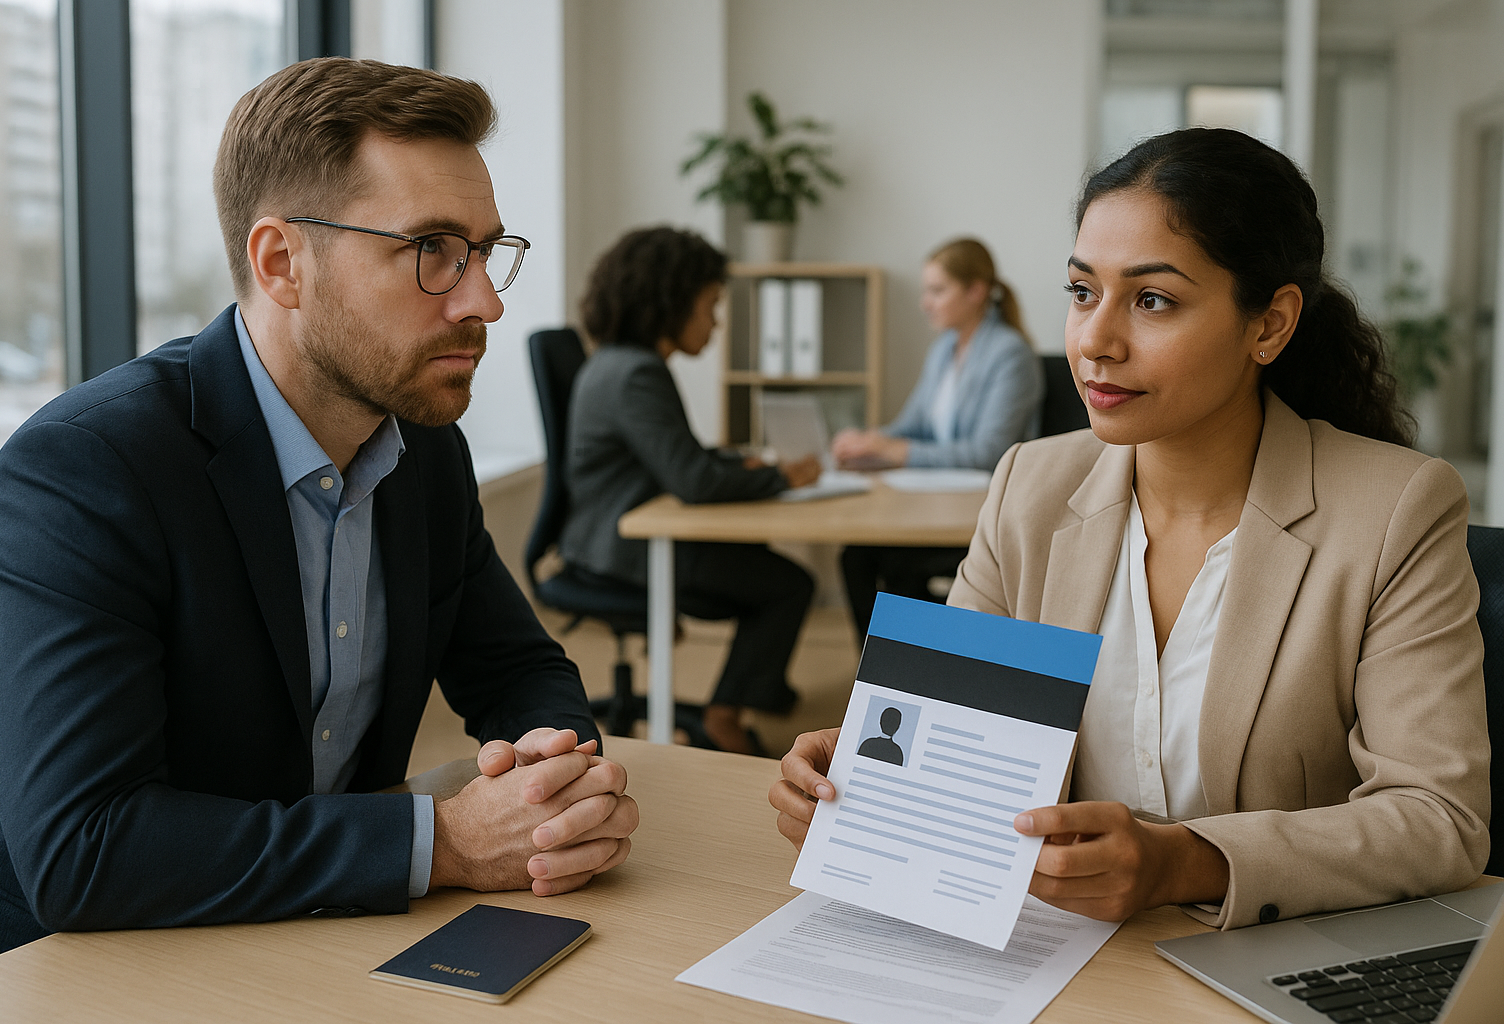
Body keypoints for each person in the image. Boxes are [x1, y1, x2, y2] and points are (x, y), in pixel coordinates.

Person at [0, 58, 638, 965]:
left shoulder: (422, 447)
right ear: (282, 262)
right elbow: (87, 848)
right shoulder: (87, 468)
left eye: (484, 253)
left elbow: (516, 667)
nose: (484, 300)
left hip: (303, 933)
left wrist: (551, 785)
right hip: (63, 963)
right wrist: (443, 841)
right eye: (433, 251)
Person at [769, 128, 1490, 931]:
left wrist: (1185, 860)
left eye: (1152, 300)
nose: (1094, 342)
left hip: (1264, 955)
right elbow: (956, 738)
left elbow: (1440, 818)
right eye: (1083, 292)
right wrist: (870, 777)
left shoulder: (1397, 509)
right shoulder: (1029, 486)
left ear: (1270, 324)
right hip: (1052, 951)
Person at [559, 226, 820, 756]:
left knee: (759, 564)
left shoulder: (622, 362)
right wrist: (780, 476)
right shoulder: (636, 374)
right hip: (625, 547)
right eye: (710, 306)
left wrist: (728, 460)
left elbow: (673, 457)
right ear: (671, 302)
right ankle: (726, 715)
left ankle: (756, 691)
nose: (716, 322)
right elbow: (694, 482)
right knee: (789, 585)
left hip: (617, 530)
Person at [831, 239, 1044, 640]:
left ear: (976, 291)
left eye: (937, 290)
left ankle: (916, 664)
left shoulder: (1009, 354)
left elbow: (988, 453)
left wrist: (896, 451)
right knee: (857, 555)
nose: (925, 303)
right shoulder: (944, 348)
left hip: (979, 513)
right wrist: (869, 441)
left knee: (895, 566)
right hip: (935, 502)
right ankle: (879, 668)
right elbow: (913, 425)